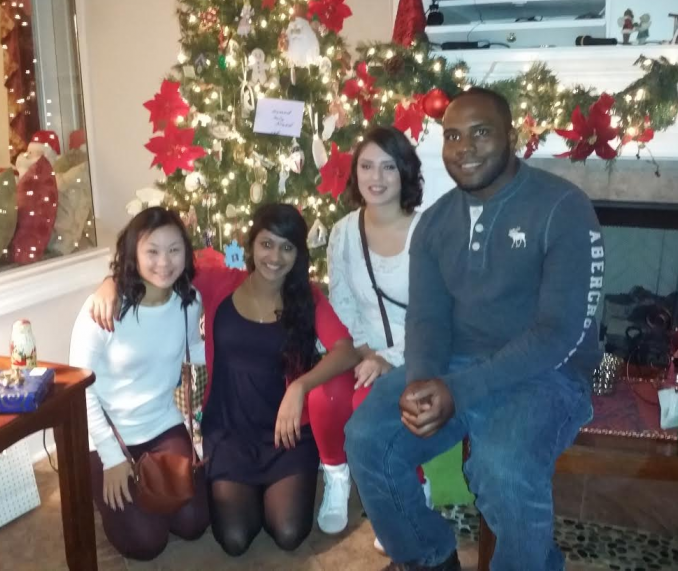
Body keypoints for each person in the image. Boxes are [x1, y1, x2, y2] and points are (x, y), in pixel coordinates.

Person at [344, 87, 604, 571]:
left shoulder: (563, 207)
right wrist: (422, 380)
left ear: (512, 136)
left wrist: (459, 389)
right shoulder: (435, 223)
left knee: (501, 466)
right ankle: (428, 557)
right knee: (367, 437)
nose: (465, 148)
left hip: (545, 374)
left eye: (481, 132)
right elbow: (426, 318)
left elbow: (558, 332)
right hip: (454, 365)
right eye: (453, 136)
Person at [89, 203, 361, 556]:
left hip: (287, 434)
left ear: (298, 254)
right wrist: (110, 282)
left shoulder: (307, 298)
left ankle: (273, 489)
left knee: (289, 532)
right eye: (266, 244)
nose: (274, 257)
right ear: (251, 244)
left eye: (287, 247)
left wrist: (300, 386)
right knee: (234, 539)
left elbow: (345, 350)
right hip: (228, 432)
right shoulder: (220, 282)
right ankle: (250, 490)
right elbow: (165, 267)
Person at [69, 207, 209, 561]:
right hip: (107, 434)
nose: (164, 262)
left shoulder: (188, 302)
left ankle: (139, 496)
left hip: (162, 423)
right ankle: (96, 485)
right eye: (152, 251)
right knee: (147, 542)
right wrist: (111, 458)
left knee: (194, 523)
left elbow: (195, 350)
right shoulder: (103, 310)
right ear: (133, 253)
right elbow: (79, 389)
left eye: (174, 249)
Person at [322, 126, 431, 544]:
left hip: (416, 351)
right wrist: (366, 351)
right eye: (367, 166)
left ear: (405, 172)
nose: (377, 177)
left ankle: (408, 491)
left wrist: (389, 359)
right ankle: (337, 479)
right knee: (324, 395)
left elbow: (435, 315)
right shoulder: (344, 232)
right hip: (361, 346)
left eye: (388, 167)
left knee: (370, 404)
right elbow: (342, 301)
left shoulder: (428, 232)